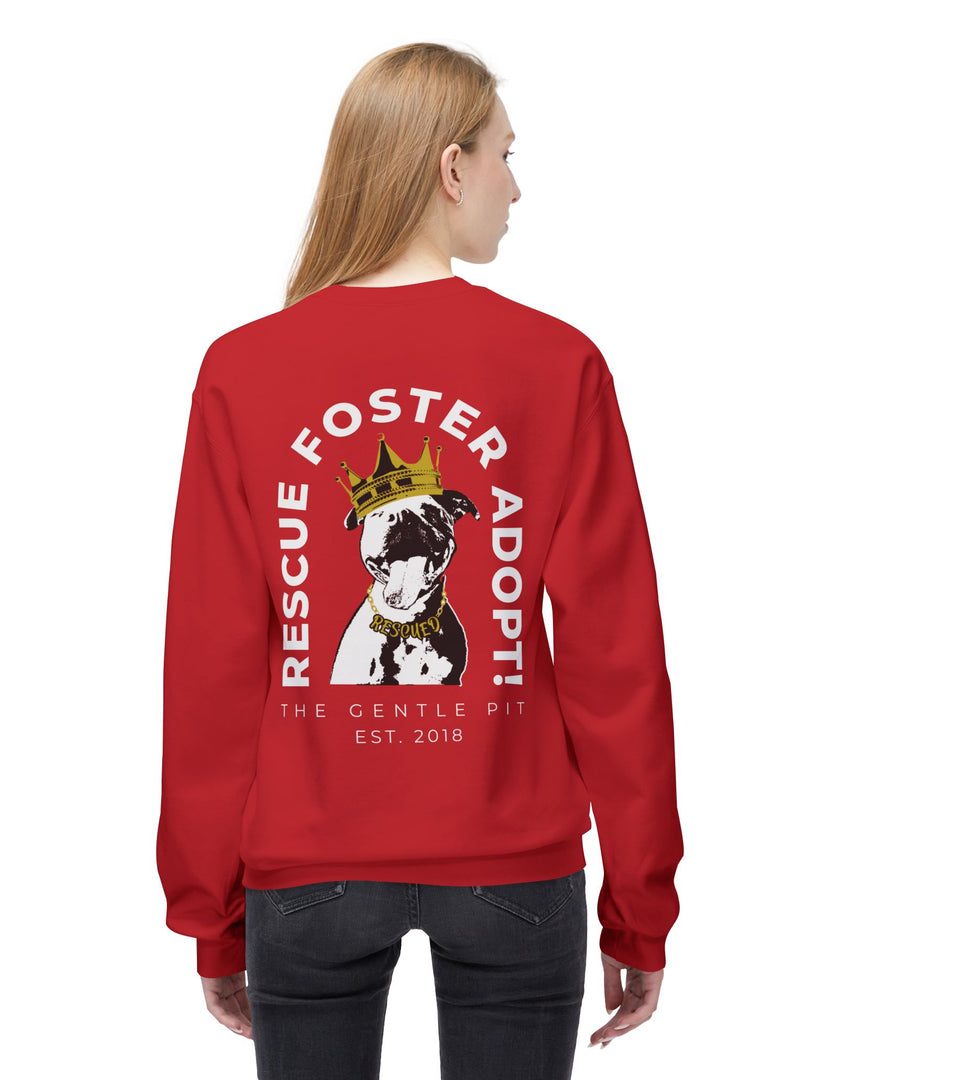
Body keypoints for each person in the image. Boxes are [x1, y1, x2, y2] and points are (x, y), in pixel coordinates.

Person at [156, 41, 683, 1079]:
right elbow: (616, 659)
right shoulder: (556, 364)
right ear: (451, 167)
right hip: (513, 870)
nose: (515, 188)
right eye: (504, 156)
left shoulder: (243, 370)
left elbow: (211, 663)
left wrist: (211, 912)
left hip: (304, 875)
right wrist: (640, 906)